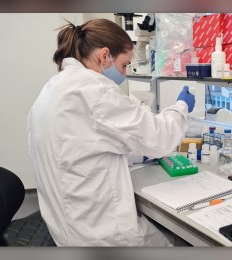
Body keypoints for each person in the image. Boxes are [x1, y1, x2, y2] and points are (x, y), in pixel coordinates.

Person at [27, 18, 195, 246]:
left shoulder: (52, 88)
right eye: (125, 65)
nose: (125, 74)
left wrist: (137, 151)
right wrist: (181, 108)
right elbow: (160, 137)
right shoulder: (96, 92)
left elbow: (83, 146)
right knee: (180, 241)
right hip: (102, 234)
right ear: (105, 55)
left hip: (66, 227)